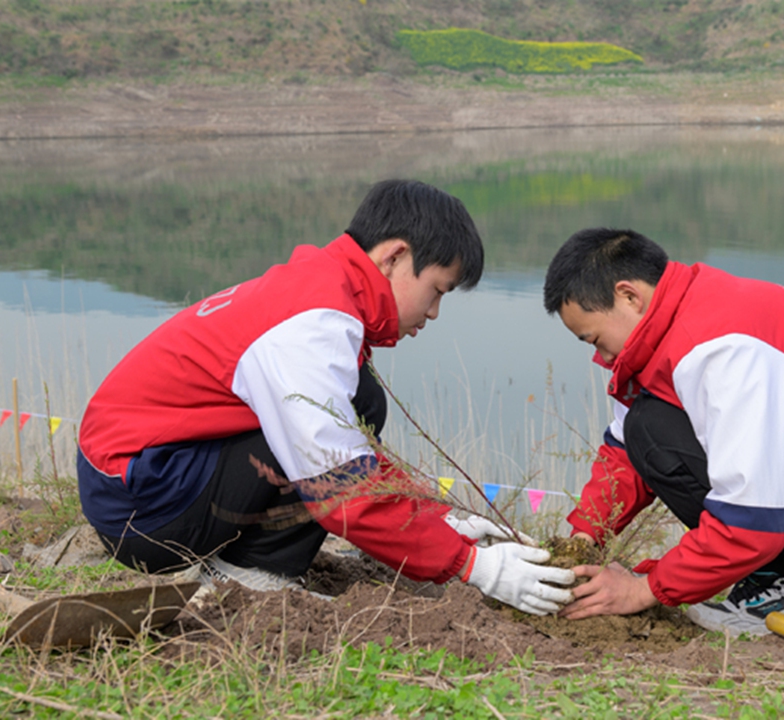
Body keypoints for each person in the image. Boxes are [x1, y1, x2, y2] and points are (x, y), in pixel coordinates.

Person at [77, 179, 574, 616]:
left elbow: (345, 450)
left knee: (357, 402)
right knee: (324, 433)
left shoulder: (321, 289)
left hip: (151, 478)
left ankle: (246, 563)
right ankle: (250, 578)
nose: (436, 312)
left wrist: (442, 517)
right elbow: (339, 486)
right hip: (141, 507)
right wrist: (476, 568)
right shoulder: (313, 325)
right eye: (437, 290)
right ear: (395, 256)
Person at [542, 228, 784, 635]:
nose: (598, 355)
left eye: (593, 337)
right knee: (648, 425)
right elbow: (626, 450)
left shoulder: (725, 347)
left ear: (629, 296)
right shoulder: (685, 315)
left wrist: (644, 590)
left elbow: (753, 519)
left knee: (653, 431)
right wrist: (583, 538)